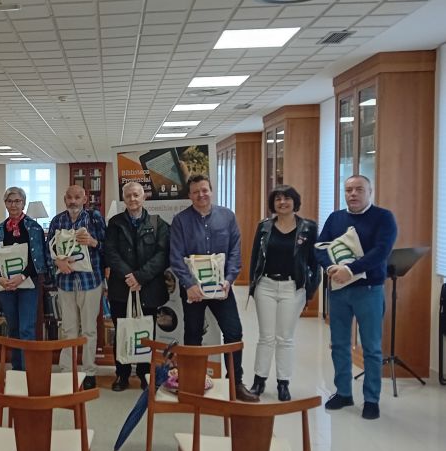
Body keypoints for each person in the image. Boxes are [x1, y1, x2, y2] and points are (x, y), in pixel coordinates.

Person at [169, 174, 259, 402]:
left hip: (222, 290)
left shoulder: (227, 217)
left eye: (204, 190)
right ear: (189, 196)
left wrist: (229, 279)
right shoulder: (180, 220)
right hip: (193, 291)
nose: (201, 195)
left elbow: (235, 253)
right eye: (196, 191)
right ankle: (192, 382)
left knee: (233, 333)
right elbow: (176, 257)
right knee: (192, 335)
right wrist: (189, 285)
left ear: (211, 190)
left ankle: (235, 383)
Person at [316, 175, 397, 420]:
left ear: (370, 192)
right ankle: (343, 393)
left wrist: (350, 269)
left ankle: (371, 399)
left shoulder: (384, 218)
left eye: (359, 189)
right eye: (349, 190)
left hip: (369, 290)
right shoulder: (335, 218)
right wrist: (331, 269)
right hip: (339, 291)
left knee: (371, 347)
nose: (353, 194)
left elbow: (381, 252)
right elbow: (320, 246)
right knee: (339, 344)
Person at [248, 185, 321, 401]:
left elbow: (314, 262)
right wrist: (253, 285)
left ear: (295, 202)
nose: (282, 202)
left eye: (287, 198)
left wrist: (310, 290)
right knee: (266, 337)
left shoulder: (308, 228)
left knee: (285, 338)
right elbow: (254, 258)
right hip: (266, 286)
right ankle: (259, 381)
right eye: (278, 198)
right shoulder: (264, 227)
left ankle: (283, 383)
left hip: (293, 287)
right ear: (273, 203)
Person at [105, 181, 170, 391]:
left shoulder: (158, 223)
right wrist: (128, 276)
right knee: (122, 331)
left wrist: (140, 277)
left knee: (146, 333)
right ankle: (121, 375)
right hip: (121, 288)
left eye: (136, 195)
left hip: (149, 288)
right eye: (128, 196)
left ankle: (144, 374)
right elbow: (110, 252)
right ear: (124, 199)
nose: (132, 199)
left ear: (144, 198)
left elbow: (163, 255)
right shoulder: (115, 223)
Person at [47, 185, 107, 390]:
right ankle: (67, 371)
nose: (73, 201)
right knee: (68, 329)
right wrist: (58, 263)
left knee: (89, 329)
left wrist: (93, 242)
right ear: (65, 199)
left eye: (77, 197)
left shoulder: (95, 218)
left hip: (90, 282)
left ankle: (89, 371)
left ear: (85, 198)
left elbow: (108, 246)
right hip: (66, 283)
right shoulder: (57, 221)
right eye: (69, 197)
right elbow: (49, 251)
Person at [0, 186, 51, 371]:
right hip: (6, 286)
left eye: (17, 201)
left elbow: (39, 260)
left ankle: (29, 371)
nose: (13, 205)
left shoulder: (34, 228)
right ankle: (17, 369)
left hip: (28, 284)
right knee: (13, 329)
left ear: (23, 203)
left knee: (27, 329)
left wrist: (22, 276)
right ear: (5, 204)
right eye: (10, 201)